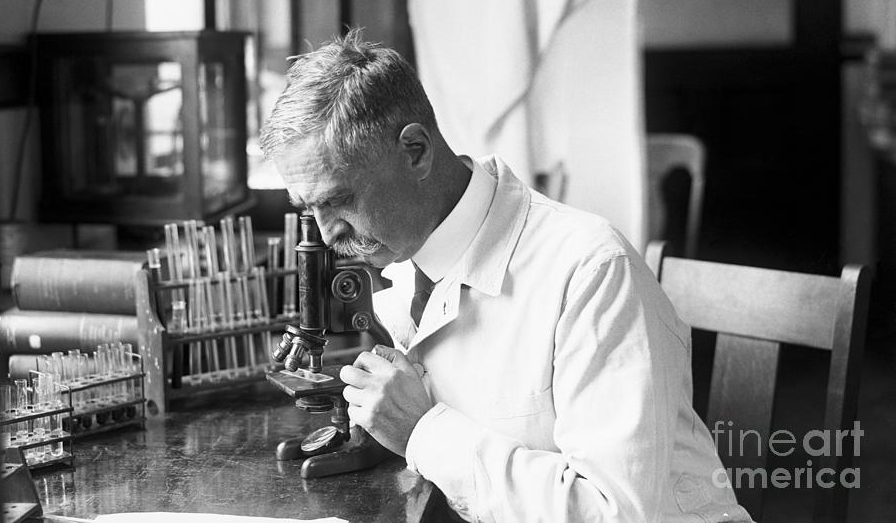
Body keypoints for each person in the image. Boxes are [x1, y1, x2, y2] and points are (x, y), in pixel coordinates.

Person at [259, 29, 753, 523]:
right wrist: (388, 426)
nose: (325, 235)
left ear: (415, 151)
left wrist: (423, 432)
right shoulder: (405, 258)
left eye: (339, 200)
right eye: (308, 209)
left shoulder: (592, 271)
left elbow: (614, 514)